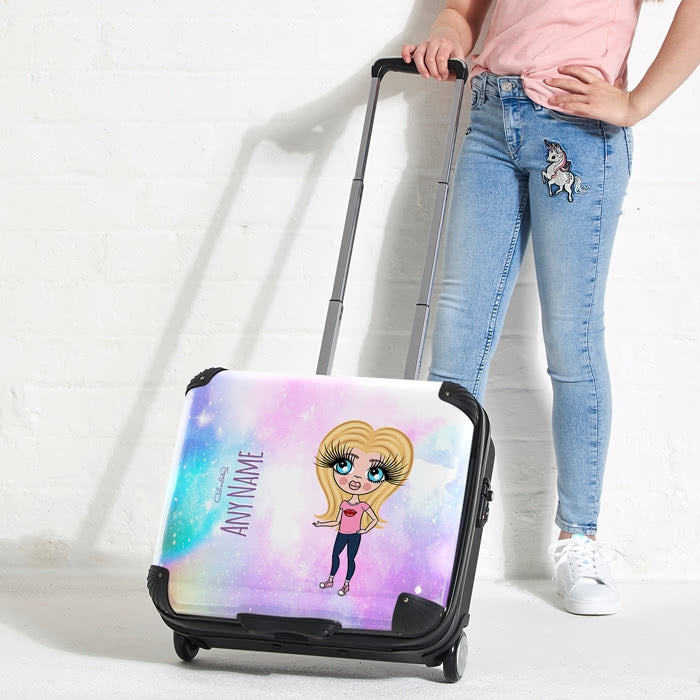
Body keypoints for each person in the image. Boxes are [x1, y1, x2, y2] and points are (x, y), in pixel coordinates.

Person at [401, 0, 700, 615]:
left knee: (572, 340)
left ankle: (578, 539)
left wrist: (636, 103)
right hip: (490, 118)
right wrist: (446, 33)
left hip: (580, 130)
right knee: (458, 335)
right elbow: (461, 10)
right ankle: (429, 540)